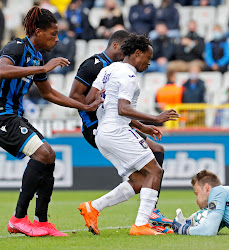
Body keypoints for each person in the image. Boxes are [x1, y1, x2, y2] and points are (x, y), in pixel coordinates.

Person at [1, 6, 101, 237]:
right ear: (37, 31)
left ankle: (41, 221)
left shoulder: (37, 56)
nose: (57, 39)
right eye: (53, 34)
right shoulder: (16, 47)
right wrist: (43, 67)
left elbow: (49, 94)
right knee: (43, 154)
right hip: (1, 115)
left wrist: (83, 106)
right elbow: (1, 70)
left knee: (49, 156)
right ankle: (18, 218)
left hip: (13, 114)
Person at [70, 31, 175, 235]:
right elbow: (122, 108)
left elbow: (92, 99)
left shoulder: (109, 70)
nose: (149, 63)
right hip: (118, 131)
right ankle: (142, 224)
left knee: (138, 181)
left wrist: (140, 126)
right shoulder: (129, 75)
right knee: (155, 171)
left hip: (103, 133)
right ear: (137, 53)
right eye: (148, 58)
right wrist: (155, 118)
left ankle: (93, 207)